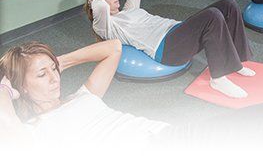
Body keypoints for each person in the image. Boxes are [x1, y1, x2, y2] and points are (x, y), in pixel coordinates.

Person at [85, 0, 255, 98]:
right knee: (213, 16)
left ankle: (237, 61)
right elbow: (100, 7)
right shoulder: (107, 26)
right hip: (166, 48)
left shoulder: (129, 9)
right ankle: (218, 79)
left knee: (229, 4)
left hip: (177, 30)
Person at [0, 41, 170, 146]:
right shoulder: (30, 130)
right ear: (22, 86)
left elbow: (114, 48)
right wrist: (5, 89)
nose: (55, 78)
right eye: (42, 74)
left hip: (163, 133)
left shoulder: (83, 94)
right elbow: (6, 120)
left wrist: (60, 62)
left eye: (54, 70)